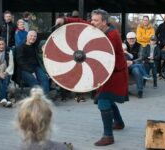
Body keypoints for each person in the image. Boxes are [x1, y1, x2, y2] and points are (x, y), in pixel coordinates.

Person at [56, 8, 129, 146]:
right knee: (108, 99)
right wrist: (64, 20)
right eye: (92, 20)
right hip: (105, 71)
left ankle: (108, 136)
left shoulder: (113, 35)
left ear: (104, 22)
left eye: (96, 20)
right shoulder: (96, 28)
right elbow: (82, 22)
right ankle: (118, 122)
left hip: (115, 73)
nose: (92, 22)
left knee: (104, 100)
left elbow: (101, 56)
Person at [125, 32, 145, 98]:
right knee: (122, 71)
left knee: (136, 70)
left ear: (135, 39)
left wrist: (132, 62)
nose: (131, 40)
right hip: (124, 65)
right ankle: (124, 91)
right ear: (127, 39)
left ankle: (140, 91)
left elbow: (141, 57)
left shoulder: (139, 46)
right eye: (130, 39)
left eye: (133, 38)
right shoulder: (123, 45)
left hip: (134, 65)